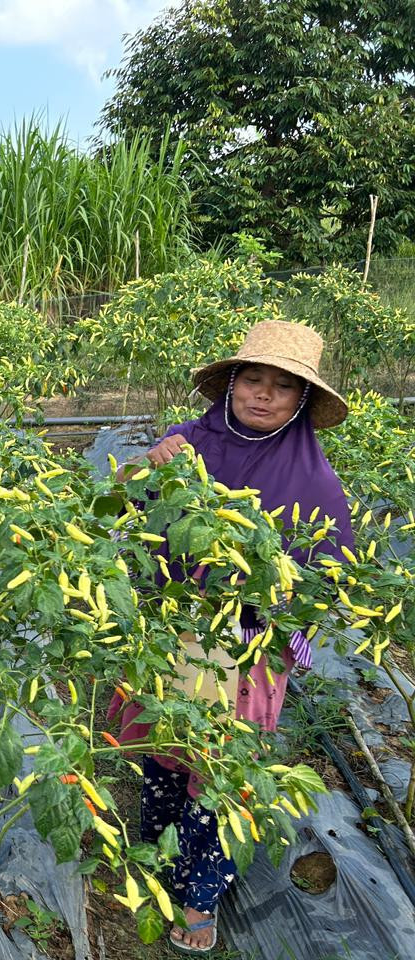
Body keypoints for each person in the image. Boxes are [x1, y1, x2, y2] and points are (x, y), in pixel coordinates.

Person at [115, 320, 354, 954]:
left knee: (221, 771)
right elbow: (122, 504)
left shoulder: (316, 484)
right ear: (229, 385)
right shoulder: (186, 443)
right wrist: (144, 465)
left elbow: (325, 578)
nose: (263, 394)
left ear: (301, 401)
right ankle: (158, 856)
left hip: (244, 647)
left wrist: (272, 592)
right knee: (165, 747)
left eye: (283, 386)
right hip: (169, 629)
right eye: (252, 379)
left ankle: (199, 897)